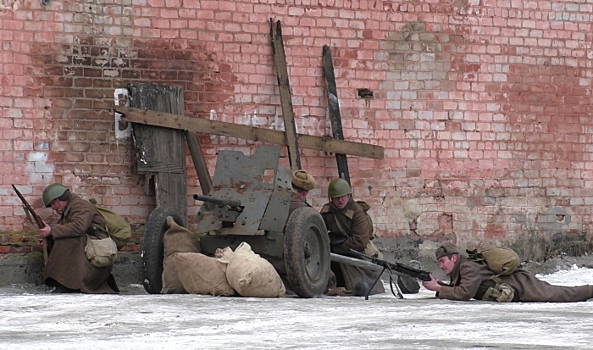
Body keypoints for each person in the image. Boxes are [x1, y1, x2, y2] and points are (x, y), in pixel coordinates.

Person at [422, 242, 593, 302]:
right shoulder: (462, 269)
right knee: (560, 292)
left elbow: (465, 293)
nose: (441, 266)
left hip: (522, 285)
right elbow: (462, 289)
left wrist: (438, 289)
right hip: (516, 288)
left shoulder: (468, 267)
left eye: (442, 261)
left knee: (562, 294)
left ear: (453, 258)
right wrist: (440, 286)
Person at [38, 183, 119, 294]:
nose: (53, 207)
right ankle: (64, 282)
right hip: (86, 248)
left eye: (53, 203)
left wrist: (51, 231)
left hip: (95, 250)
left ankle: (67, 283)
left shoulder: (80, 206)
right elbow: (65, 229)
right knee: (63, 238)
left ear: (61, 198)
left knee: (68, 240)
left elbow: (78, 227)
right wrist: (48, 239)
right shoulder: (69, 209)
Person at [320, 178, 385, 296]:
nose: (340, 200)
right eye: (336, 197)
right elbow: (319, 233)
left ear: (348, 195)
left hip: (358, 252)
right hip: (337, 250)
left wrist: (337, 247)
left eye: (343, 196)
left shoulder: (357, 212)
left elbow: (360, 241)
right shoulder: (327, 212)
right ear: (331, 199)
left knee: (361, 282)